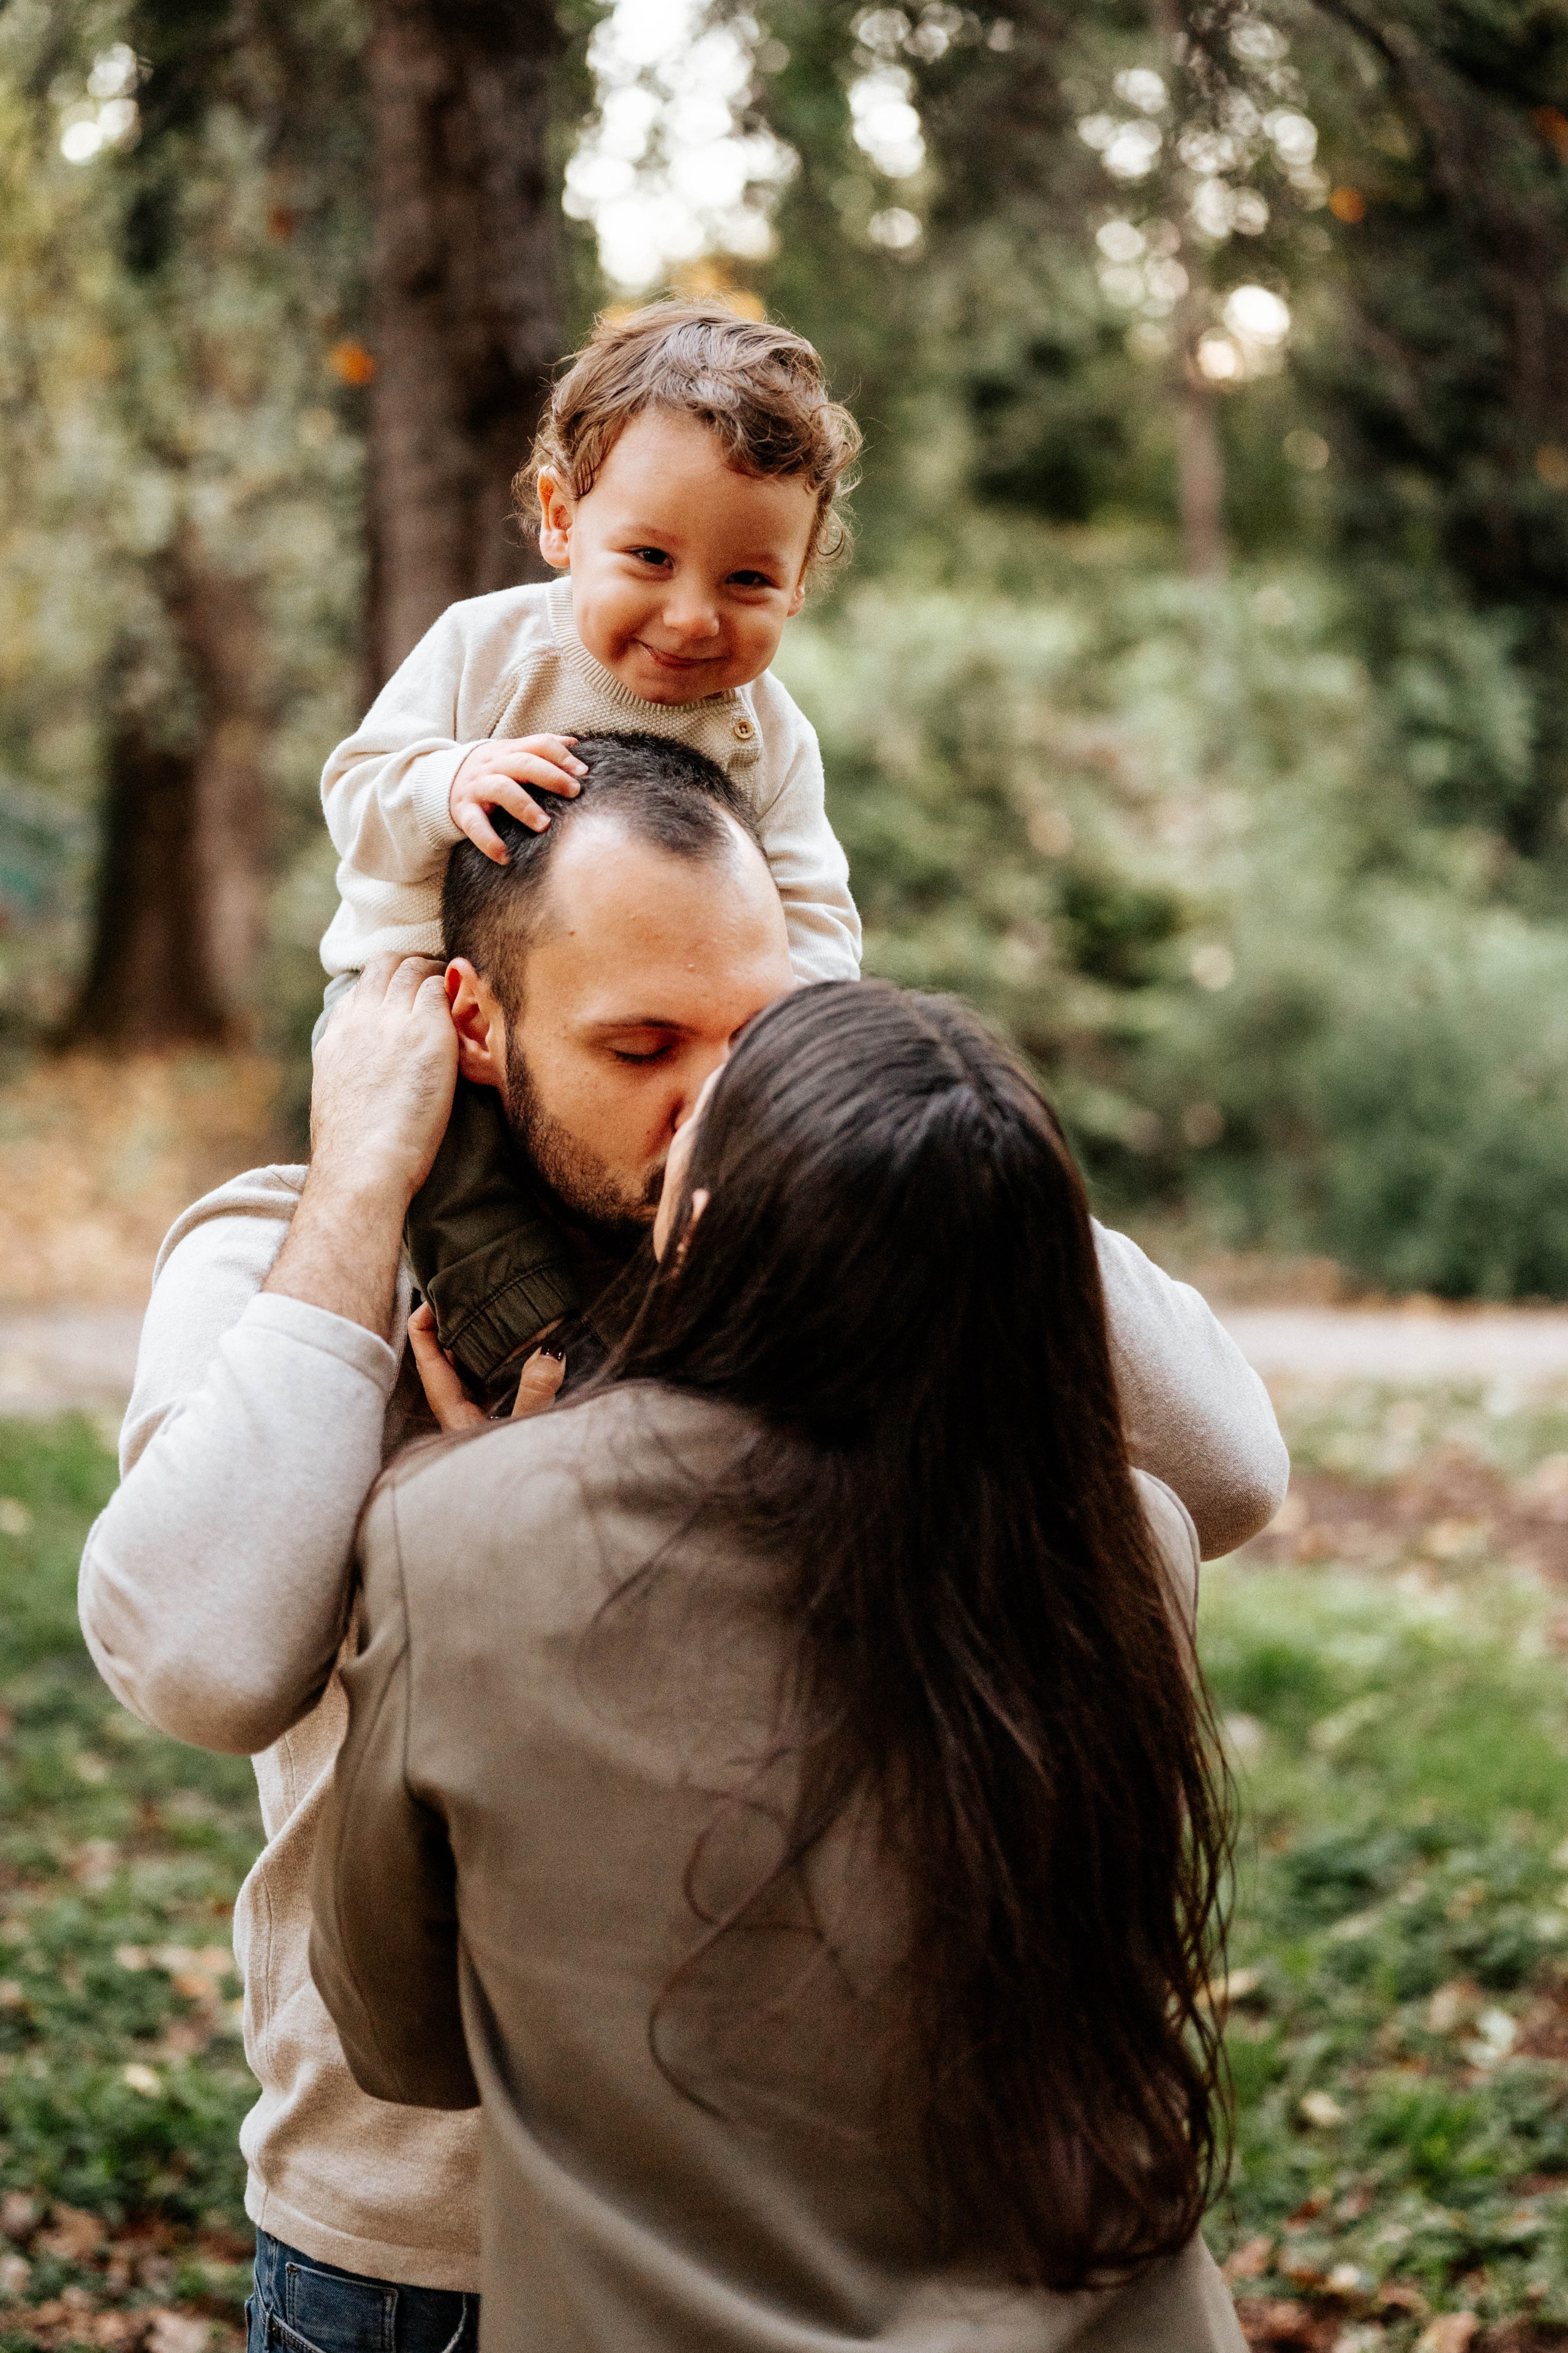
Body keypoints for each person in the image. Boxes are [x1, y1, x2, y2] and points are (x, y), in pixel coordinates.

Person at [79, 738, 1285, 2353]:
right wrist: (365, 1175)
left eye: (750, 1030)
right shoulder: (291, 1252)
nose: (710, 1103)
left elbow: (1228, 1470)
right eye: (641, 1042)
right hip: (419, 2242)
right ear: (471, 1025)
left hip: (839, 2226)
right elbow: (199, 1661)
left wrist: (894, 1094)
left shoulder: (854, 1228)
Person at [310, 980, 1250, 2353]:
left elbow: (401, 2043)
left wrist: (488, 1473)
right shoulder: (1131, 1546)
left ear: (698, 1234)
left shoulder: (450, 1538)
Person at [319, 301, 864, 1397]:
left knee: (713, 1183)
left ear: (801, 579)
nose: (694, 616)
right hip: (422, 994)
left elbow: (814, 906)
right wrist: (447, 777)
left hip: (660, 1037)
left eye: (749, 581)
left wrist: (785, 1045)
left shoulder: (770, 731)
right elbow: (355, 790)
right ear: (563, 522)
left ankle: (697, 1348)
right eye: (650, 557)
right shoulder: (491, 648)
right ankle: (528, 1356)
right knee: (455, 1185)